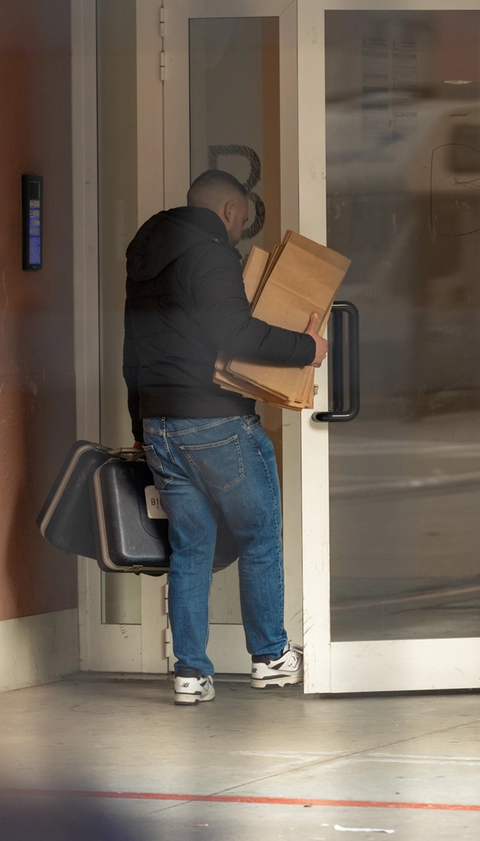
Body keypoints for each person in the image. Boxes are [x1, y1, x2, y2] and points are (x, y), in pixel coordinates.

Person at [123, 170, 327, 706]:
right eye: (240, 225)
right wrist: (307, 349)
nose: (238, 237)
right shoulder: (210, 254)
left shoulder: (145, 256)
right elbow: (234, 332)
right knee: (259, 536)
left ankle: (190, 673)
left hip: (161, 422)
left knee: (190, 547)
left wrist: (141, 426)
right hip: (215, 419)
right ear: (231, 210)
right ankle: (270, 657)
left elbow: (131, 350)